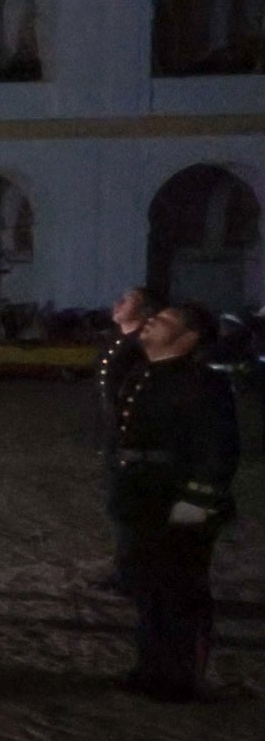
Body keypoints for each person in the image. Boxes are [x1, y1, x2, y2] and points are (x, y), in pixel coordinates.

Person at [111, 300, 238, 701]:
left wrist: (198, 500)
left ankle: (182, 679)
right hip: (142, 496)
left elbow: (218, 448)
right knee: (148, 588)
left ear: (189, 338)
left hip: (177, 497)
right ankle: (152, 669)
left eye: (164, 320)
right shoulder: (143, 372)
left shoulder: (202, 382)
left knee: (181, 593)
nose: (152, 322)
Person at [96, 284, 162, 594]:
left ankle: (135, 575)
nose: (119, 302)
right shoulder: (120, 341)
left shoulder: (142, 347)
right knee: (120, 506)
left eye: (129, 299)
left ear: (145, 311)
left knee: (130, 508)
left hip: (134, 440)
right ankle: (128, 570)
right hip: (116, 435)